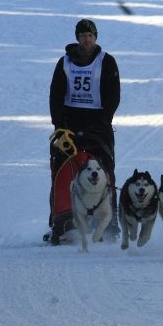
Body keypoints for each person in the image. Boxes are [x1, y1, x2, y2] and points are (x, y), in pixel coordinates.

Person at [44, 19, 121, 245]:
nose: (87, 39)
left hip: (98, 123)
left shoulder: (106, 62)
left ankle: (109, 222)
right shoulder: (64, 63)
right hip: (69, 123)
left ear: (95, 37)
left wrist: (104, 122)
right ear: (77, 37)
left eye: (90, 35)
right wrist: (59, 126)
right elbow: (56, 95)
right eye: (83, 35)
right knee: (60, 168)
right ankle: (60, 222)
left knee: (104, 169)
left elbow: (113, 95)